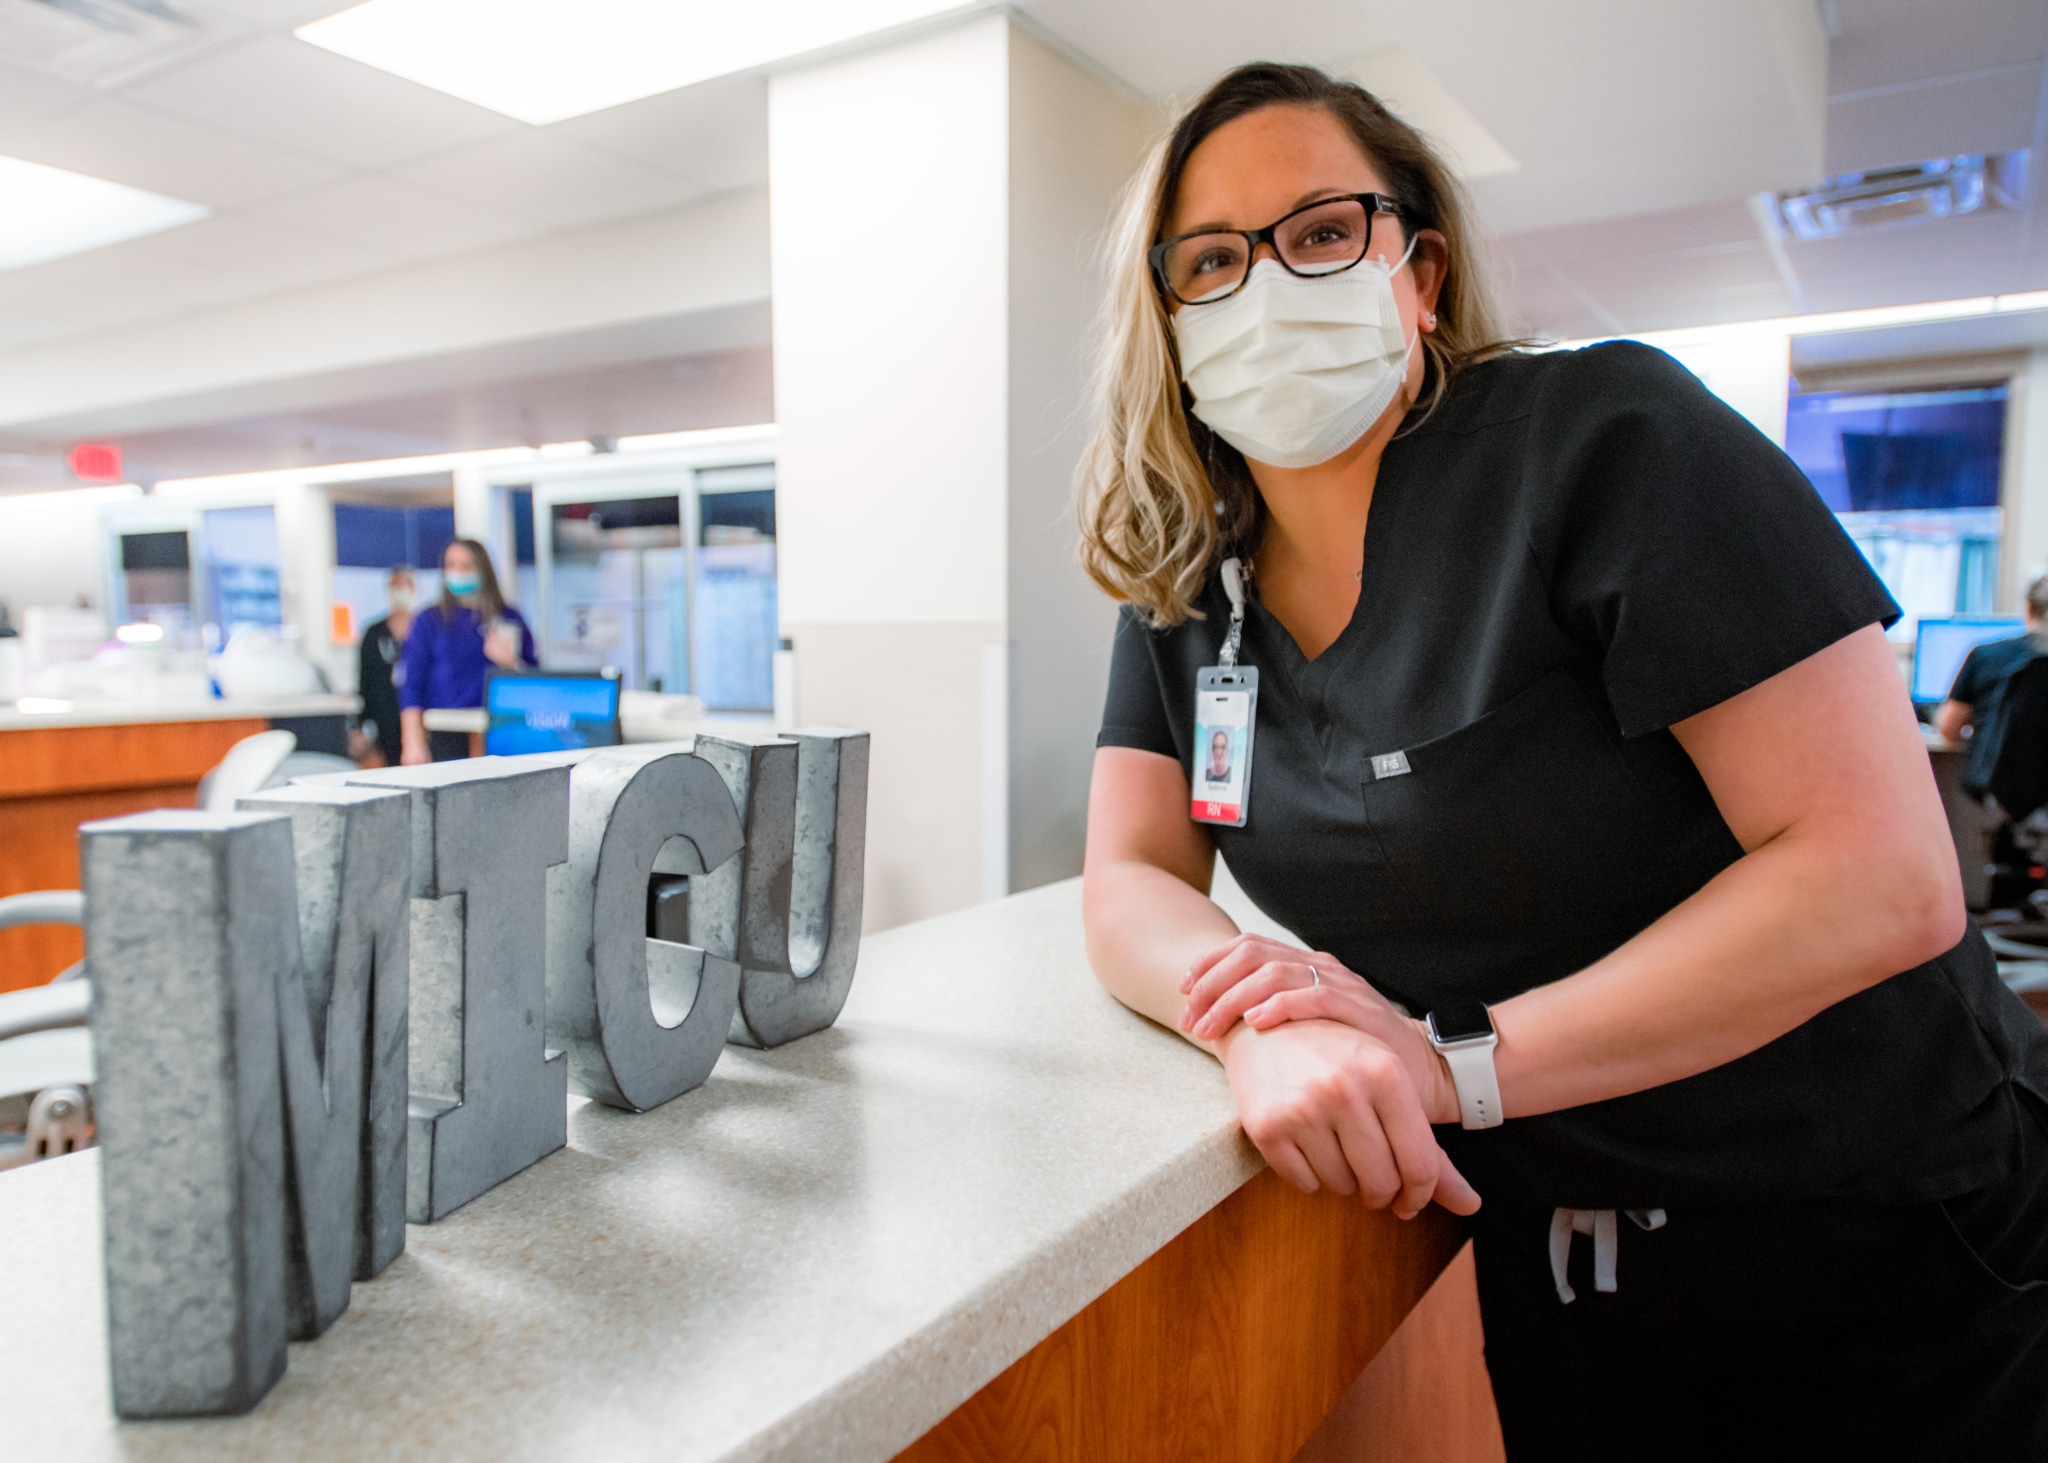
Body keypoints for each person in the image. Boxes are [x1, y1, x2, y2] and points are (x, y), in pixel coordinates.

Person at [1077, 63, 2048, 1458]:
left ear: (1420, 271)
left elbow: (1883, 874)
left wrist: (1451, 1064)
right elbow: (1127, 873)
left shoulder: (1607, 446)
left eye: (1319, 232)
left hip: (1878, 1227)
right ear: (1166, 315)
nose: (1266, 289)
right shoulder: (1188, 577)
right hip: (1569, 1254)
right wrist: (1253, 1017)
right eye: (1213, 259)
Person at [399, 539, 535, 764]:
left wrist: (511, 663)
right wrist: (412, 741)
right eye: (451, 565)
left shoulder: (508, 618)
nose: (457, 572)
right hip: (446, 731)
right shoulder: (430, 621)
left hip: (501, 730)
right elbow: (411, 683)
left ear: (483, 569)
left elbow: (534, 680)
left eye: (466, 566)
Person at [353, 565, 415, 767]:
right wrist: (360, 722)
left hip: (417, 713)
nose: (399, 591)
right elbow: (365, 678)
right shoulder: (374, 633)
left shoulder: (423, 629)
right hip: (385, 715)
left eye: (403, 585)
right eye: (394, 586)